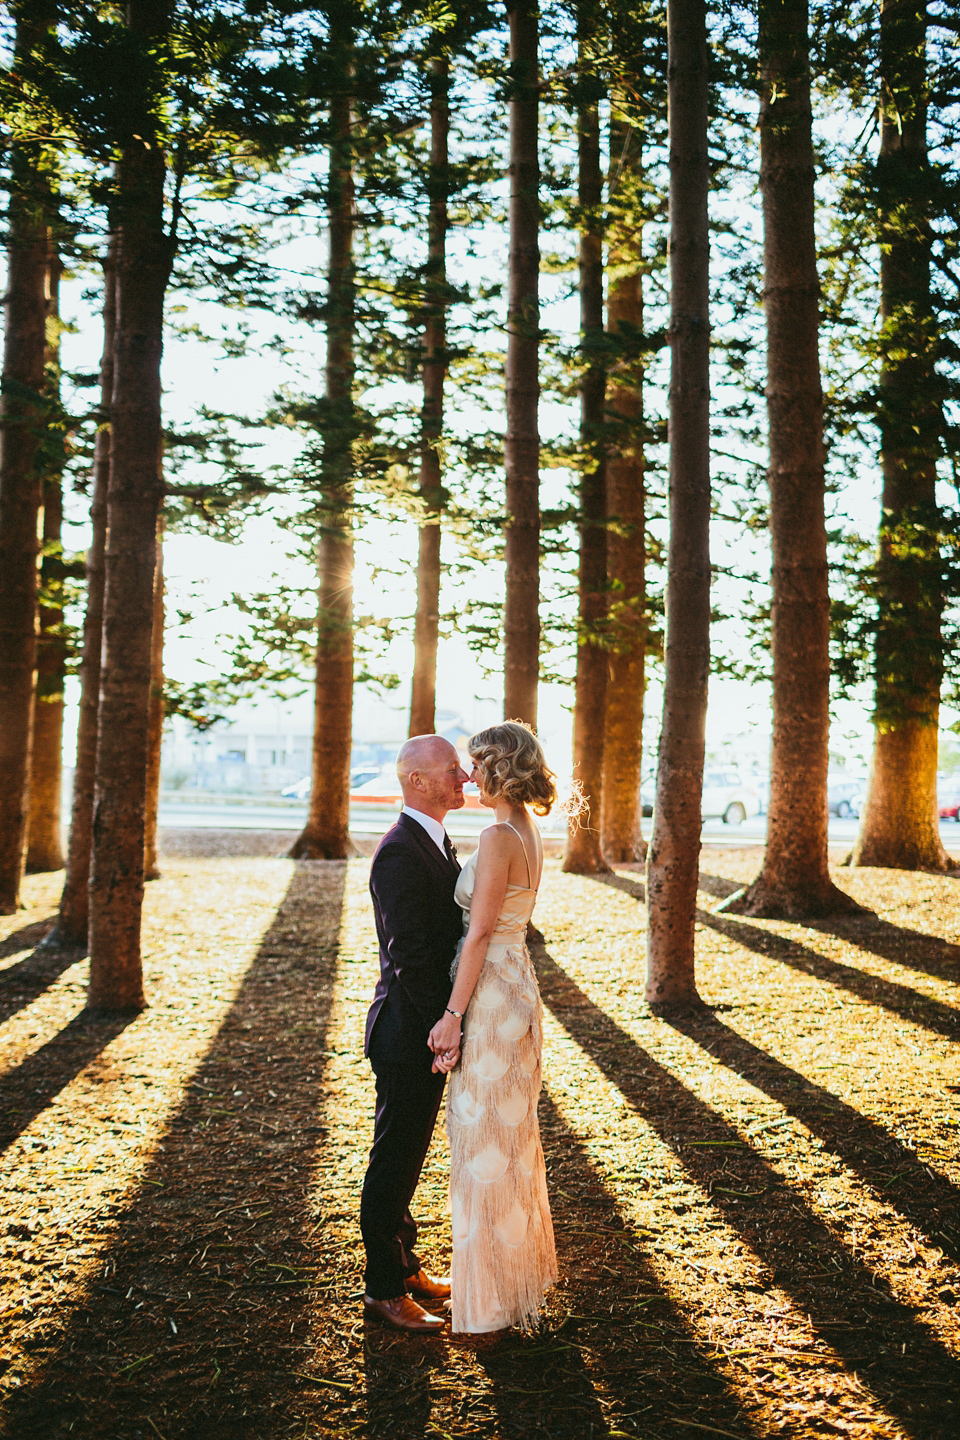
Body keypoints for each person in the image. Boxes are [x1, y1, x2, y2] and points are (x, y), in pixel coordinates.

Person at [428, 721, 558, 1333]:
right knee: (508, 1139)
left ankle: (488, 1305)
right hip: (518, 984)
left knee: (485, 1142)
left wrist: (453, 1016)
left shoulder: (499, 834)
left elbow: (478, 931)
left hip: (489, 991)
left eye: (477, 764)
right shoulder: (528, 831)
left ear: (500, 768)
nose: (469, 774)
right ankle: (508, 1285)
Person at [360, 734, 470, 1332]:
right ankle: (382, 1290)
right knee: (394, 1161)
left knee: (408, 1156)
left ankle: (405, 1268)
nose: (465, 778)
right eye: (452, 770)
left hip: (420, 1030)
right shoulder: (400, 851)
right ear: (417, 780)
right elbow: (410, 956)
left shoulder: (435, 840)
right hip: (407, 1032)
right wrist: (444, 1024)